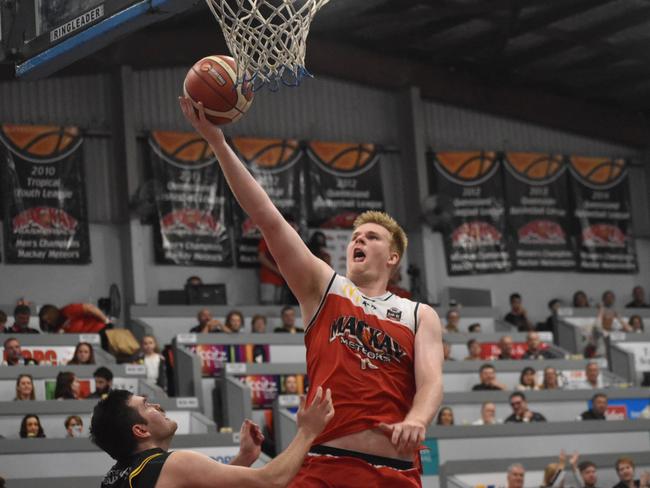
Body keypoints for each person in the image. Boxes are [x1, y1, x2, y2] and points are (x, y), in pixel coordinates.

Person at [180, 98, 443, 486]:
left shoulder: (419, 313)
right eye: (355, 236)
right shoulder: (325, 286)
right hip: (327, 463)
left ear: (392, 256)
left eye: (371, 237)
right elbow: (267, 218)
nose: (359, 239)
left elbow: (432, 381)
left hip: (397, 472)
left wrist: (418, 420)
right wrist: (217, 141)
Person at [91, 388, 334, 488]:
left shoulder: (115, 477)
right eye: (147, 406)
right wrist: (307, 431)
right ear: (140, 431)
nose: (157, 406)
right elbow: (271, 480)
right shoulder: (174, 464)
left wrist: (245, 457)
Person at [39, 303, 110, 334]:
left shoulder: (68, 310)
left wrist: (106, 320)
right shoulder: (57, 330)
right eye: (46, 321)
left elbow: (90, 308)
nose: (48, 322)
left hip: (100, 329)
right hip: (88, 343)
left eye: (49, 318)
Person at [258, 233, 286, 305]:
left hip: (281, 279)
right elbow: (261, 257)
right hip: (268, 278)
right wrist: (277, 271)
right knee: (268, 304)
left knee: (278, 305)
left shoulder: (285, 240)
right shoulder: (267, 238)